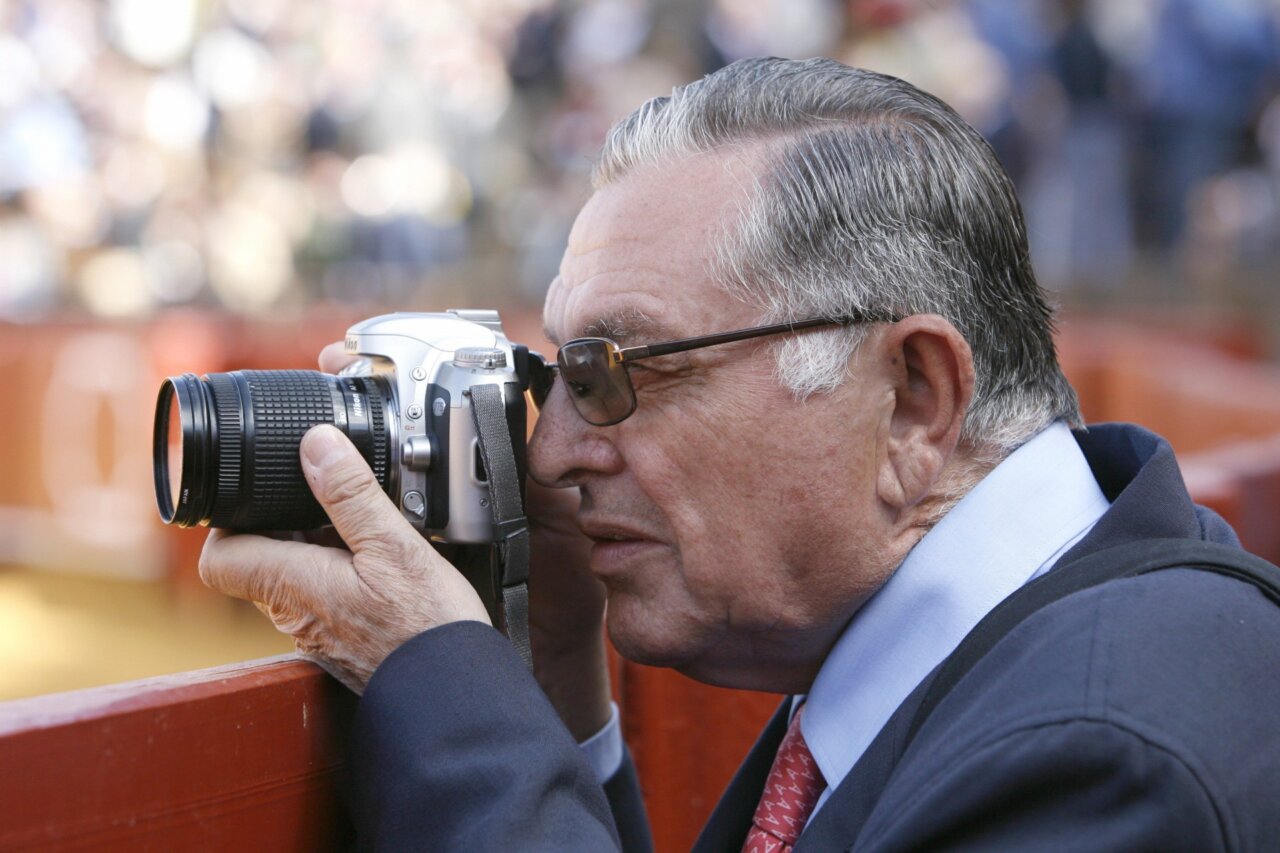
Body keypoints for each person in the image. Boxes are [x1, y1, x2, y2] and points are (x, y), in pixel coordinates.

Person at [199, 58, 1280, 851]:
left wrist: (439, 690)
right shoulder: (1030, 652)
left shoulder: (1103, 751)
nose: (556, 452)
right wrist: (550, 694)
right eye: (554, 379)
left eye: (613, 371)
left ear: (912, 399)